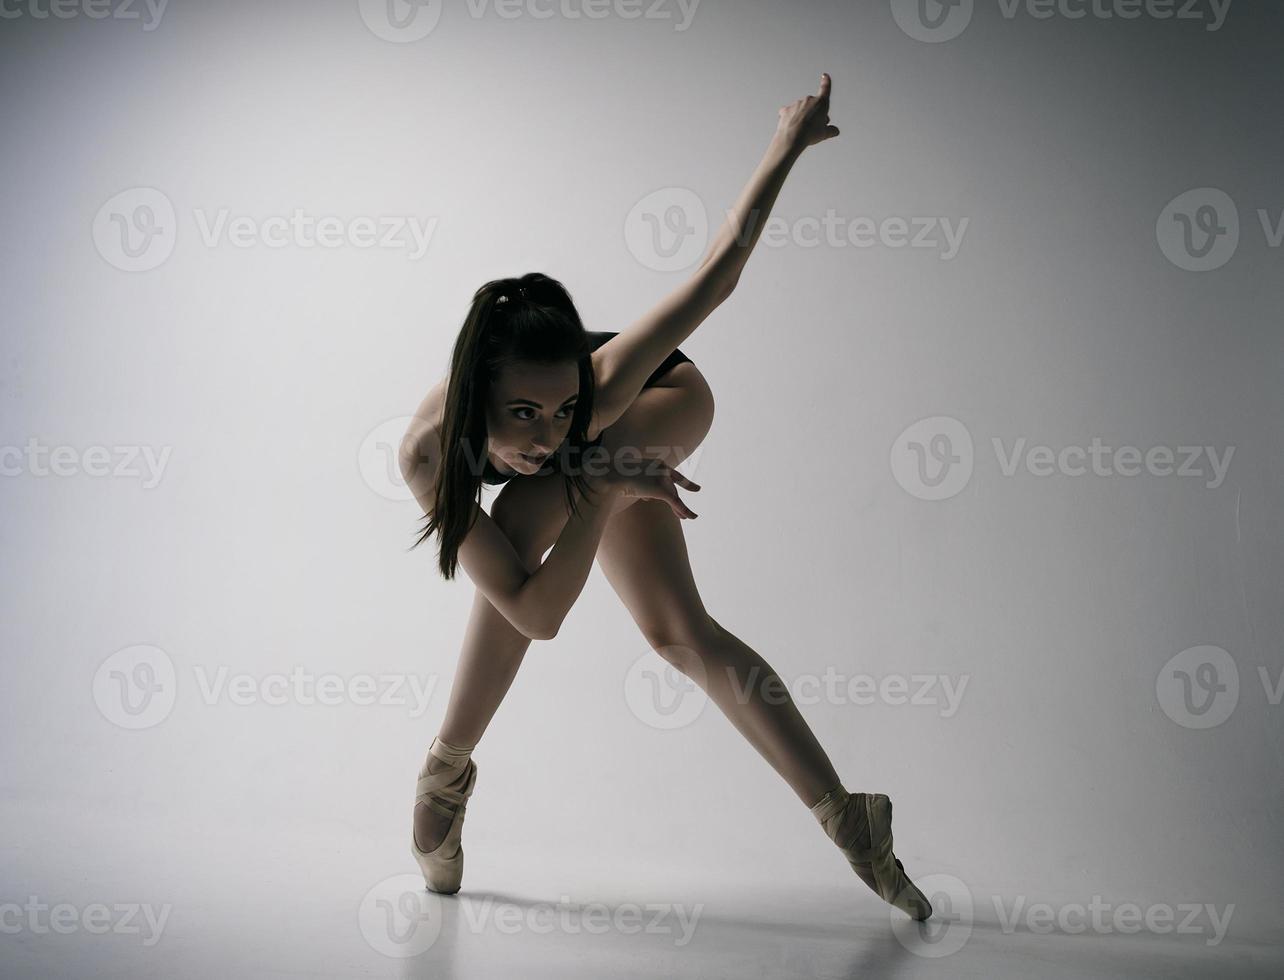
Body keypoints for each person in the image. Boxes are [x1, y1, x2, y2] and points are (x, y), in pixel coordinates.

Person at [398, 74, 932, 921]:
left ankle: (443, 774)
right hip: (595, 450)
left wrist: (782, 149)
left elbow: (713, 282)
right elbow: (528, 610)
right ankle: (850, 817)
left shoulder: (599, 398)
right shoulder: (431, 456)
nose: (546, 435)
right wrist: (597, 482)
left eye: (562, 409)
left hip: (669, 400)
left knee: (525, 515)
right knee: (676, 633)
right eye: (524, 416)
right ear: (474, 399)